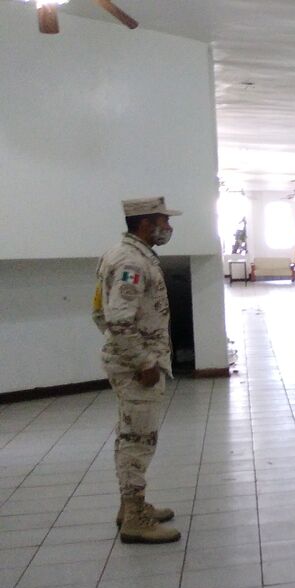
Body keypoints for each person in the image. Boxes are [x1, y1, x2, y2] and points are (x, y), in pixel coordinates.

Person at [92, 197, 182, 544]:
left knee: (130, 435)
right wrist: (142, 360)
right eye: (163, 221)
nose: (168, 228)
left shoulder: (120, 254)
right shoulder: (131, 262)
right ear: (145, 224)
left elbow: (98, 312)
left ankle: (129, 506)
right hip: (136, 367)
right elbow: (117, 319)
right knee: (138, 440)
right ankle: (135, 518)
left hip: (128, 360)